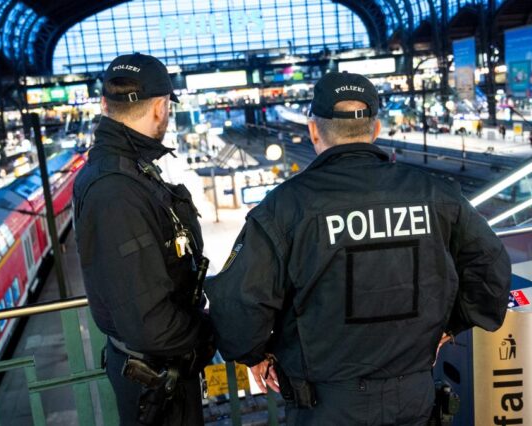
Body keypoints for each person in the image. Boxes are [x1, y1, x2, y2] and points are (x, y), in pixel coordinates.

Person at [206, 72, 512, 426]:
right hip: (414, 396)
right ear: (376, 129)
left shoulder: (285, 207)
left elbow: (239, 302)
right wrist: (452, 326)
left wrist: (254, 354)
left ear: (314, 131)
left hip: (325, 405)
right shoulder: (436, 195)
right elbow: (491, 267)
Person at [73, 53, 214, 426]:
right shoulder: (117, 191)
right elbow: (149, 322)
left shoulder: (122, 172)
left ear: (104, 105)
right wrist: (210, 333)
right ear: (160, 107)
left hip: (159, 371)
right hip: (156, 384)